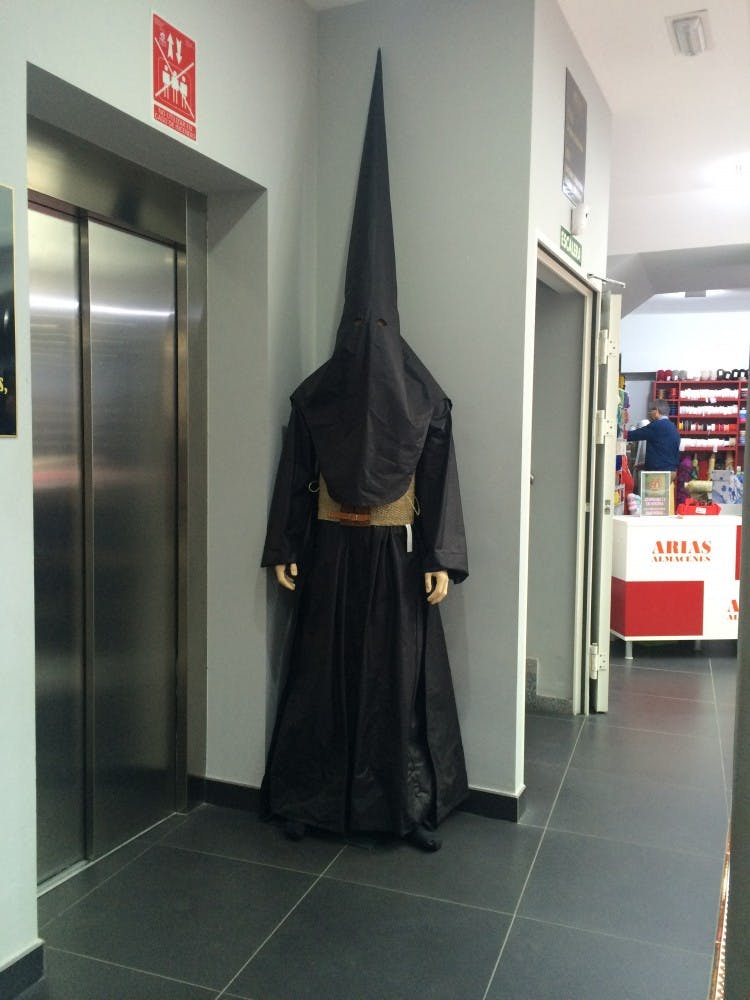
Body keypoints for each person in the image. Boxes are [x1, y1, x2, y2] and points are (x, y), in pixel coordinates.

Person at [260, 52, 468, 853]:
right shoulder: (319, 393)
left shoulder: (424, 395)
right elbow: (295, 466)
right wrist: (287, 542)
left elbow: (440, 475)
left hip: (392, 553)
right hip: (332, 549)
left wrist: (439, 556)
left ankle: (396, 804)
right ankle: (314, 797)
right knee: (321, 680)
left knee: (392, 683)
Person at [627, 398, 681, 472]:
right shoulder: (673, 427)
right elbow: (664, 451)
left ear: (656, 411)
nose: (650, 413)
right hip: (671, 471)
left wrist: (617, 432)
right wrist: (646, 465)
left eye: (651, 411)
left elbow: (632, 436)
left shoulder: (656, 426)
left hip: (658, 473)